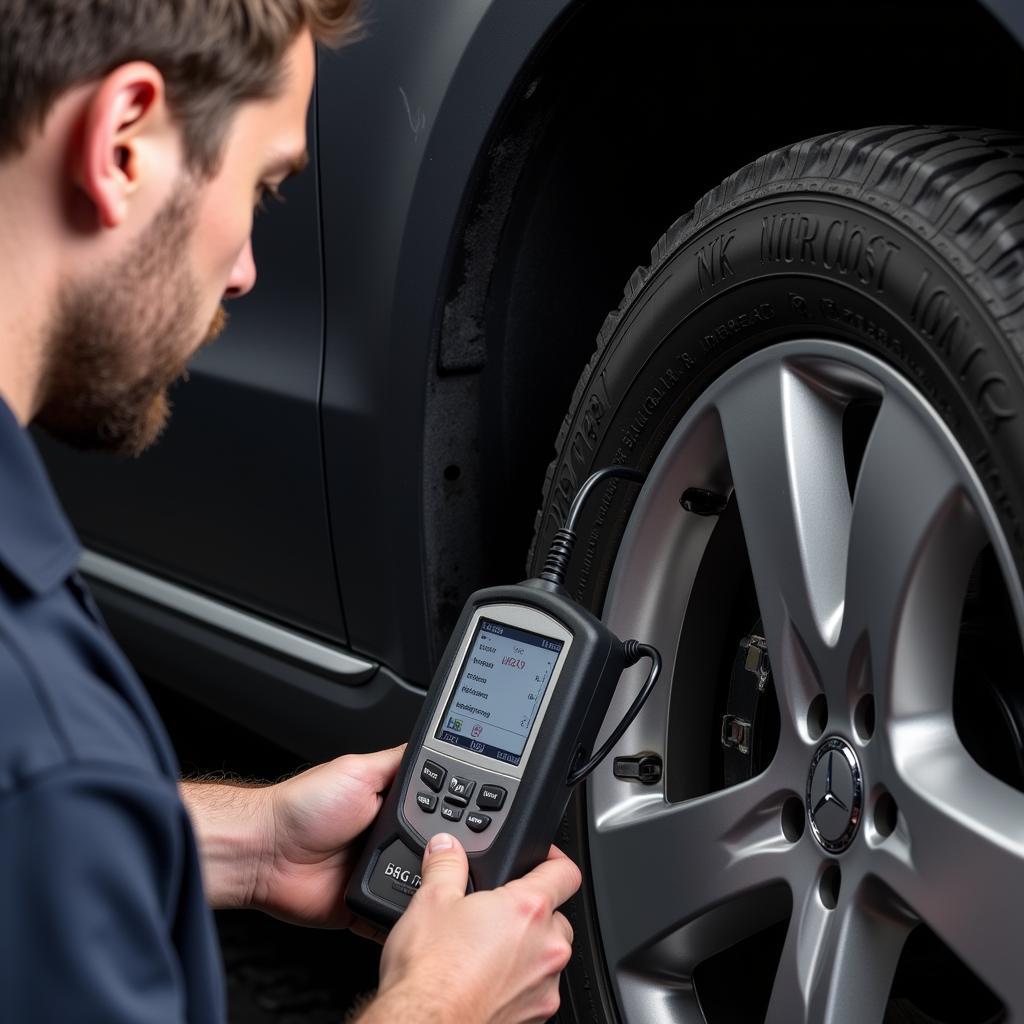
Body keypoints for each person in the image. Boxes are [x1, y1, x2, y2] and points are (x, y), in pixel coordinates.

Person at [0, 2, 581, 1022]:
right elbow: (40, 797)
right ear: (125, 143)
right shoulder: (46, 726)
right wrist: (443, 1002)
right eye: (263, 187)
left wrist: (252, 845)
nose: (244, 271)